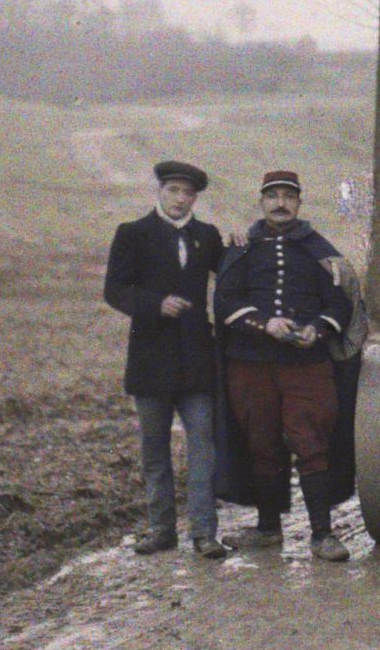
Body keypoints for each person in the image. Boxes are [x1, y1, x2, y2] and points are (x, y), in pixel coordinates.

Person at [212, 171, 356, 562]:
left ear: (299, 203)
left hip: (305, 364)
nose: (280, 203)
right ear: (262, 202)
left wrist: (318, 330)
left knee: (310, 441)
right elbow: (224, 300)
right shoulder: (243, 247)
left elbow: (340, 302)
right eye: (273, 196)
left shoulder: (318, 250)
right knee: (261, 442)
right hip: (251, 363)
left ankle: (323, 535)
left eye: (288, 197)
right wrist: (264, 324)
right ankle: (268, 530)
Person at [102, 159, 231, 560]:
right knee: (154, 448)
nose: (179, 199)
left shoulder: (207, 237)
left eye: (187, 193)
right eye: (173, 191)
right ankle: (161, 529)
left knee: (203, 446)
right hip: (150, 362)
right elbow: (115, 290)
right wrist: (156, 304)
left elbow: (230, 271)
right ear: (159, 192)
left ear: (195, 198)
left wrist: (242, 243)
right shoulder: (132, 234)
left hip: (196, 362)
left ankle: (205, 533)